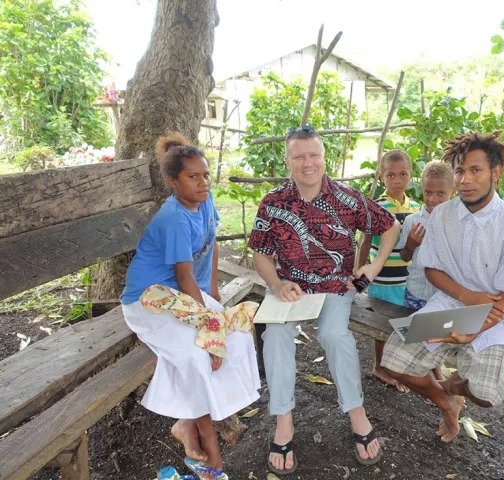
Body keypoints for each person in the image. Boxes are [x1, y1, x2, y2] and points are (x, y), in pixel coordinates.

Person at [247, 126, 400, 475]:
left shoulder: (347, 197)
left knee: (334, 335)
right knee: (276, 335)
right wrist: (276, 283)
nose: (307, 163)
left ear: (324, 156)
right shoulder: (273, 202)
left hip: (335, 287)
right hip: (291, 290)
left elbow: (390, 225)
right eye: (299, 156)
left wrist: (373, 267)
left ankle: (357, 415)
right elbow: (260, 254)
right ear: (287, 160)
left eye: (313, 154)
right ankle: (284, 421)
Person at [121, 133, 261, 480]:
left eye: (206, 175)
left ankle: (186, 422)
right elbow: (183, 277)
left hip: (182, 297)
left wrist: (213, 298)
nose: (203, 183)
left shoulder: (206, 201)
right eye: (193, 177)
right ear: (173, 183)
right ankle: (211, 452)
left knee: (241, 335)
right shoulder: (173, 219)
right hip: (149, 301)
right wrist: (209, 326)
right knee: (200, 354)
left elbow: (210, 247)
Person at [381, 131, 504, 443]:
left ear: (496, 172)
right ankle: (445, 400)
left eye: (475, 170)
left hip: (496, 321)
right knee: (391, 362)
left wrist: (472, 331)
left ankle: (456, 388)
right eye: (460, 170)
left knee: (488, 393)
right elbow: (432, 269)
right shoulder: (443, 215)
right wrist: (467, 296)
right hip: (448, 307)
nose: (465, 179)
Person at [357, 149, 420, 392]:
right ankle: (380, 366)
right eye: (391, 175)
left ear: (410, 176)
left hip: (407, 279)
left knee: (404, 322)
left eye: (403, 174)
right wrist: (358, 279)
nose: (397, 180)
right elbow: (364, 242)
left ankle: (400, 366)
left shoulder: (415, 207)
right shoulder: (376, 207)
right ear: (382, 176)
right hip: (383, 279)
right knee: (382, 325)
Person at [398, 160, 455, 310]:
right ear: (422, 189)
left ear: (453, 191)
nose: (433, 199)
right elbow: (404, 257)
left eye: (441, 193)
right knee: (410, 330)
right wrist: (410, 246)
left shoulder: (457, 224)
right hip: (415, 292)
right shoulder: (412, 221)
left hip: (444, 296)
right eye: (428, 192)